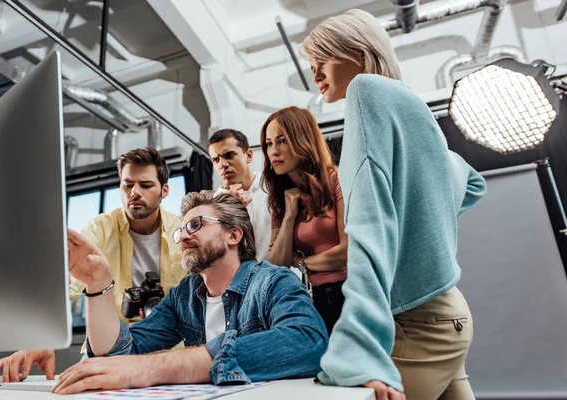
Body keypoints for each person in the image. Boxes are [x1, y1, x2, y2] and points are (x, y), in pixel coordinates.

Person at [299, 9, 487, 400]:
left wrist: (360, 352)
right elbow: (471, 183)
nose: (315, 72)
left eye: (324, 58)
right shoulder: (409, 105)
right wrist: (424, 233)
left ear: (360, 53)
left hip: (416, 321)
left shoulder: (366, 91)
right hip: (445, 310)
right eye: (311, 64)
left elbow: (370, 228)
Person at [0, 191, 328, 393]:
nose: (181, 236)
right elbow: (122, 353)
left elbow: (309, 342)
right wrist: (97, 286)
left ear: (233, 235)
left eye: (196, 225)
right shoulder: (186, 294)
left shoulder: (272, 282)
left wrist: (154, 368)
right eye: (181, 229)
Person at [0, 147, 187, 381]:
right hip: (107, 350)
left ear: (164, 190)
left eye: (145, 185)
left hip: (171, 349)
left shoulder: (183, 232)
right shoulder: (99, 229)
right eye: (127, 184)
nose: (134, 192)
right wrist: (44, 337)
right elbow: (67, 283)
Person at [261, 106, 348, 335]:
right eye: (269, 144)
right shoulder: (281, 200)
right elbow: (277, 263)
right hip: (316, 298)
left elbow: (348, 251)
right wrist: (289, 215)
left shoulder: (337, 179)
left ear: (302, 139)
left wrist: (301, 263)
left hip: (353, 293)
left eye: (282, 141)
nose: (273, 151)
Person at [208, 129, 271, 261]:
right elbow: (215, 255)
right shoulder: (212, 207)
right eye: (216, 159)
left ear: (249, 155)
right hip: (240, 280)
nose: (222, 165)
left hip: (284, 278)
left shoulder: (274, 188)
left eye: (229, 155)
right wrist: (231, 209)